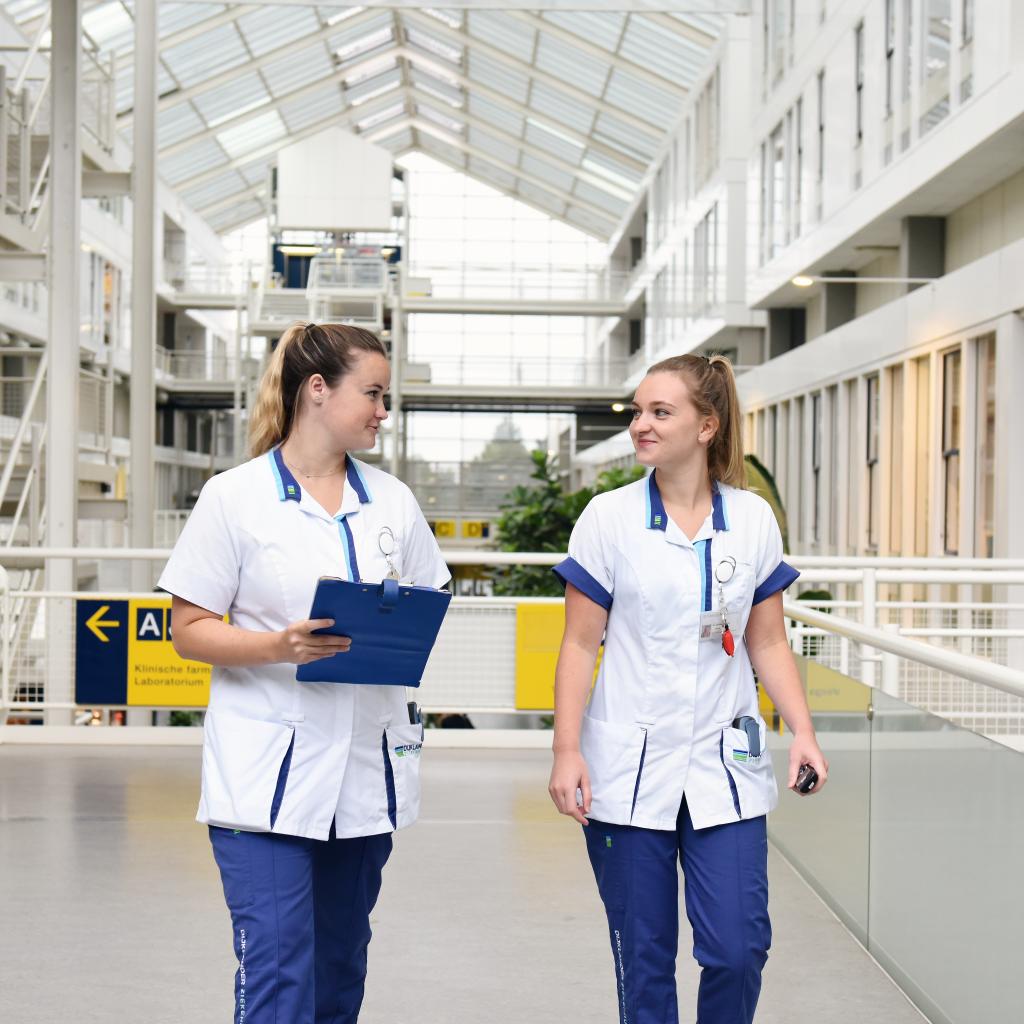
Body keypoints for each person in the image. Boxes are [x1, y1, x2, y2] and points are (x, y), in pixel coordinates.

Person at [159, 322, 450, 1024]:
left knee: (339, 972)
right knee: (280, 975)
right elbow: (187, 631)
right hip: (263, 783)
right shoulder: (235, 499)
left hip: (362, 777)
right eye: (373, 393)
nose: (384, 410)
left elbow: (428, 604)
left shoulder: (393, 502)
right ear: (317, 390)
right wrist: (277, 648)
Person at [548, 353, 828, 1024]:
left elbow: (767, 641)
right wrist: (566, 751)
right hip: (627, 767)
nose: (641, 425)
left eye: (659, 412)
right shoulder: (607, 518)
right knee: (643, 961)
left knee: (737, 948)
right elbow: (580, 644)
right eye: (638, 412)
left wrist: (804, 733)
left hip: (722, 766)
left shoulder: (752, 519)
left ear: (707, 425)